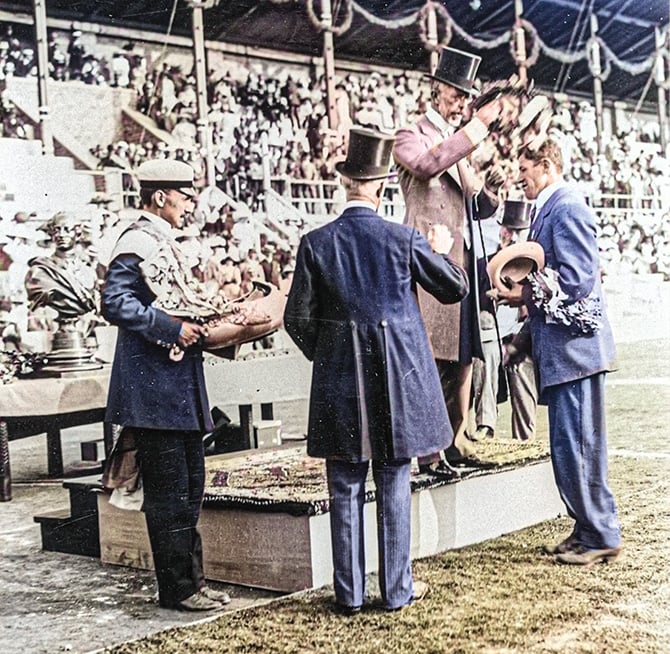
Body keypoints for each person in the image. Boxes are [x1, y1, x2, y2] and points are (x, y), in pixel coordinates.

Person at [284, 128, 469, 613]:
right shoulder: (402, 238)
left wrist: (331, 355)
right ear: (383, 187)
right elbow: (454, 288)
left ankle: (348, 594)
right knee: (393, 481)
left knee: (343, 485)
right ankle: (396, 590)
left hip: (339, 383)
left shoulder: (315, 243)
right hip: (398, 382)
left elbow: (296, 320)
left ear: (345, 183)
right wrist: (441, 244)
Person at [101, 159, 232, 611]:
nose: (192, 201)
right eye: (185, 193)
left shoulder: (165, 240)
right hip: (154, 387)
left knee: (190, 487)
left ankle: (191, 583)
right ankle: (179, 589)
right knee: (170, 494)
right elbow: (114, 302)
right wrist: (170, 327)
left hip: (177, 384)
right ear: (160, 197)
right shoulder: (136, 239)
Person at [495, 139, 621, 565]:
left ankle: (600, 534)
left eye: (525, 169)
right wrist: (520, 340)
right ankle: (587, 528)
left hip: (576, 355)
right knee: (571, 449)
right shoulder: (550, 210)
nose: (520, 177)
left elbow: (578, 281)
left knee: (579, 447)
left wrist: (524, 292)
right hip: (565, 353)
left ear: (546, 165)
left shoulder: (566, 206)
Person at [393, 46, 516, 474]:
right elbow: (428, 166)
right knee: (430, 357)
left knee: (463, 358)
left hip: (460, 264)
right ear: (436, 90)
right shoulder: (410, 135)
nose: (461, 101)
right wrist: (475, 130)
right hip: (427, 261)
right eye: (455, 92)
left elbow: (475, 202)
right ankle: (429, 450)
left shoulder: (458, 140)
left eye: (466, 96)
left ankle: (455, 440)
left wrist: (493, 188)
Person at [25, 212, 97, 322]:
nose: (62, 235)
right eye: (57, 230)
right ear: (52, 235)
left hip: (84, 328)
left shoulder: (88, 271)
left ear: (77, 235)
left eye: (67, 230)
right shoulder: (39, 272)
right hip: (54, 327)